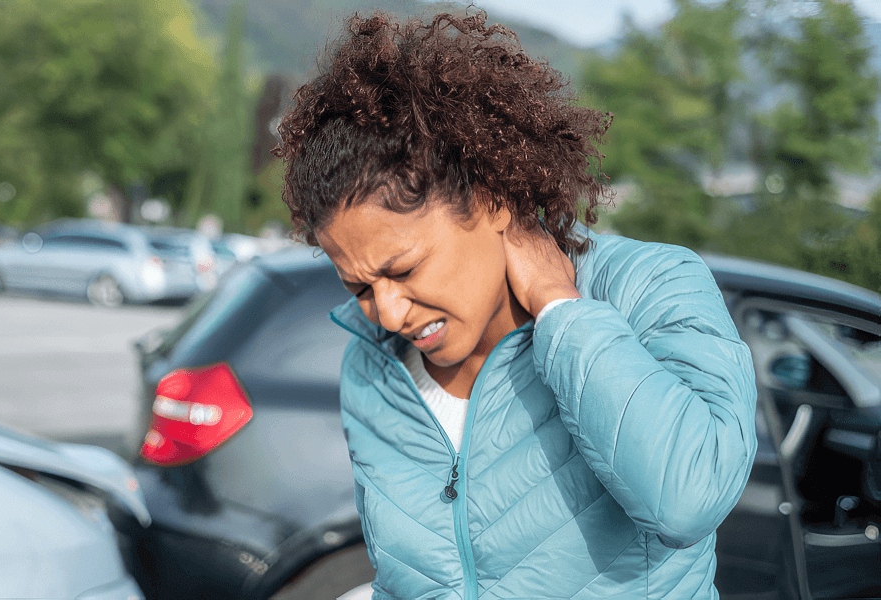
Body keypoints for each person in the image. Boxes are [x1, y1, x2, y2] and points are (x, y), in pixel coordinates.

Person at [272, 10, 757, 599]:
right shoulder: (371, 371)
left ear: (492, 198)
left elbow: (689, 497)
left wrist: (561, 312)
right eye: (359, 288)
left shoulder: (648, 285)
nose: (390, 312)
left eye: (403, 270)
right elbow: (409, 578)